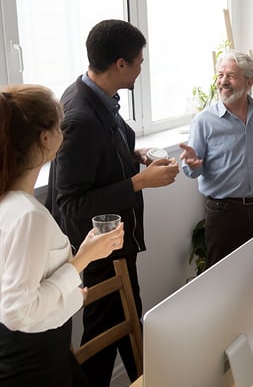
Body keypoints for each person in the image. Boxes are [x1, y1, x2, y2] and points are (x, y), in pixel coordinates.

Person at [46, 19, 179, 387]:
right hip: (98, 256)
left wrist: (136, 157)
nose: (141, 68)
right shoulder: (79, 116)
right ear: (120, 64)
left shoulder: (100, 98)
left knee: (128, 329)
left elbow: (101, 160)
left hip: (116, 248)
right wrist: (139, 182)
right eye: (138, 61)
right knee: (102, 342)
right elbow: (70, 204)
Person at [0, 85, 124, 387]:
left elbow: (25, 285)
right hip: (33, 362)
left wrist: (68, 299)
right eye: (61, 125)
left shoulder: (10, 203)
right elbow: (16, 311)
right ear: (46, 138)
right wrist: (82, 260)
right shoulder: (28, 216)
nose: (64, 132)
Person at [179, 50, 253, 280]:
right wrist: (192, 164)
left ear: (249, 81)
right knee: (221, 279)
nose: (223, 82)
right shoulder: (203, 121)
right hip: (223, 212)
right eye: (220, 75)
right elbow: (192, 170)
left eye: (230, 76)